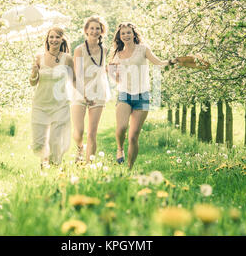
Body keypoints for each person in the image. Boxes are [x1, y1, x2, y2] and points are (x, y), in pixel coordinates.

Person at [108, 22, 208, 169]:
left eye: (128, 32)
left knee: (134, 135)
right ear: (120, 36)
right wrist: (115, 77)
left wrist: (173, 61)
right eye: (123, 33)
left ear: (134, 34)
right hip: (124, 94)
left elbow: (158, 63)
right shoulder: (118, 54)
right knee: (122, 128)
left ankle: (129, 168)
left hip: (142, 96)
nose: (126, 35)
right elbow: (111, 70)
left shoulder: (143, 49)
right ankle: (120, 148)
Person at [29, 27, 76, 167]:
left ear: (62, 40)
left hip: (60, 105)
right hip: (40, 104)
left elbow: (74, 80)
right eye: (51, 37)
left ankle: (54, 167)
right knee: (38, 143)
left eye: (57, 37)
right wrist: (33, 72)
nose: (54, 40)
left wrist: (84, 95)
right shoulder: (39, 58)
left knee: (55, 141)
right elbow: (33, 83)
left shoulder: (67, 59)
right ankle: (44, 160)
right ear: (47, 39)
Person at [71, 16, 110, 162]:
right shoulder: (79, 50)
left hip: (98, 92)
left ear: (101, 31)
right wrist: (84, 94)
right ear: (86, 30)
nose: (94, 31)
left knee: (92, 133)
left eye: (97, 28)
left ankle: (89, 164)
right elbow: (78, 74)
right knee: (79, 131)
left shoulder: (104, 50)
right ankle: (80, 148)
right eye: (91, 28)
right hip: (80, 92)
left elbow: (102, 70)